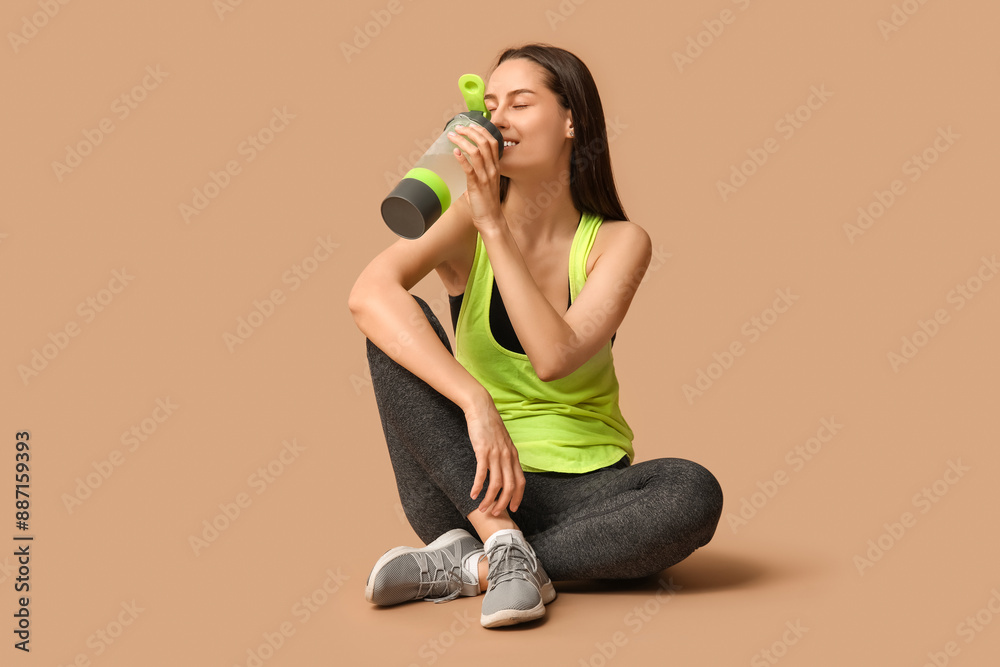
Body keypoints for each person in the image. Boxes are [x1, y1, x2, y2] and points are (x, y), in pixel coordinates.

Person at [348, 43, 723, 629]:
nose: (498, 120)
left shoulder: (619, 242)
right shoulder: (459, 226)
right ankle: (499, 543)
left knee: (691, 491)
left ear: (571, 120)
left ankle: (477, 568)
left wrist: (493, 223)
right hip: (472, 485)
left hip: (587, 492)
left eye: (520, 103)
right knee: (392, 334)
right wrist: (475, 403)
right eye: (490, 105)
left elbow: (556, 357)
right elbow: (367, 295)